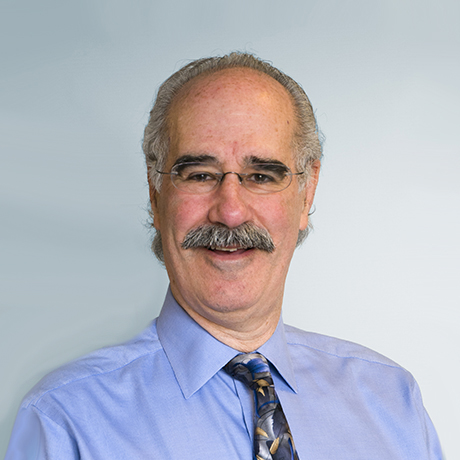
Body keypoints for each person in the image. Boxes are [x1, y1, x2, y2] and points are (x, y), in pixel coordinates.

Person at [6, 53, 442, 459]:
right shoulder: (64, 422)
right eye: (199, 175)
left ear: (307, 192)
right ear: (156, 194)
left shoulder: (392, 403)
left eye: (261, 176)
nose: (230, 212)